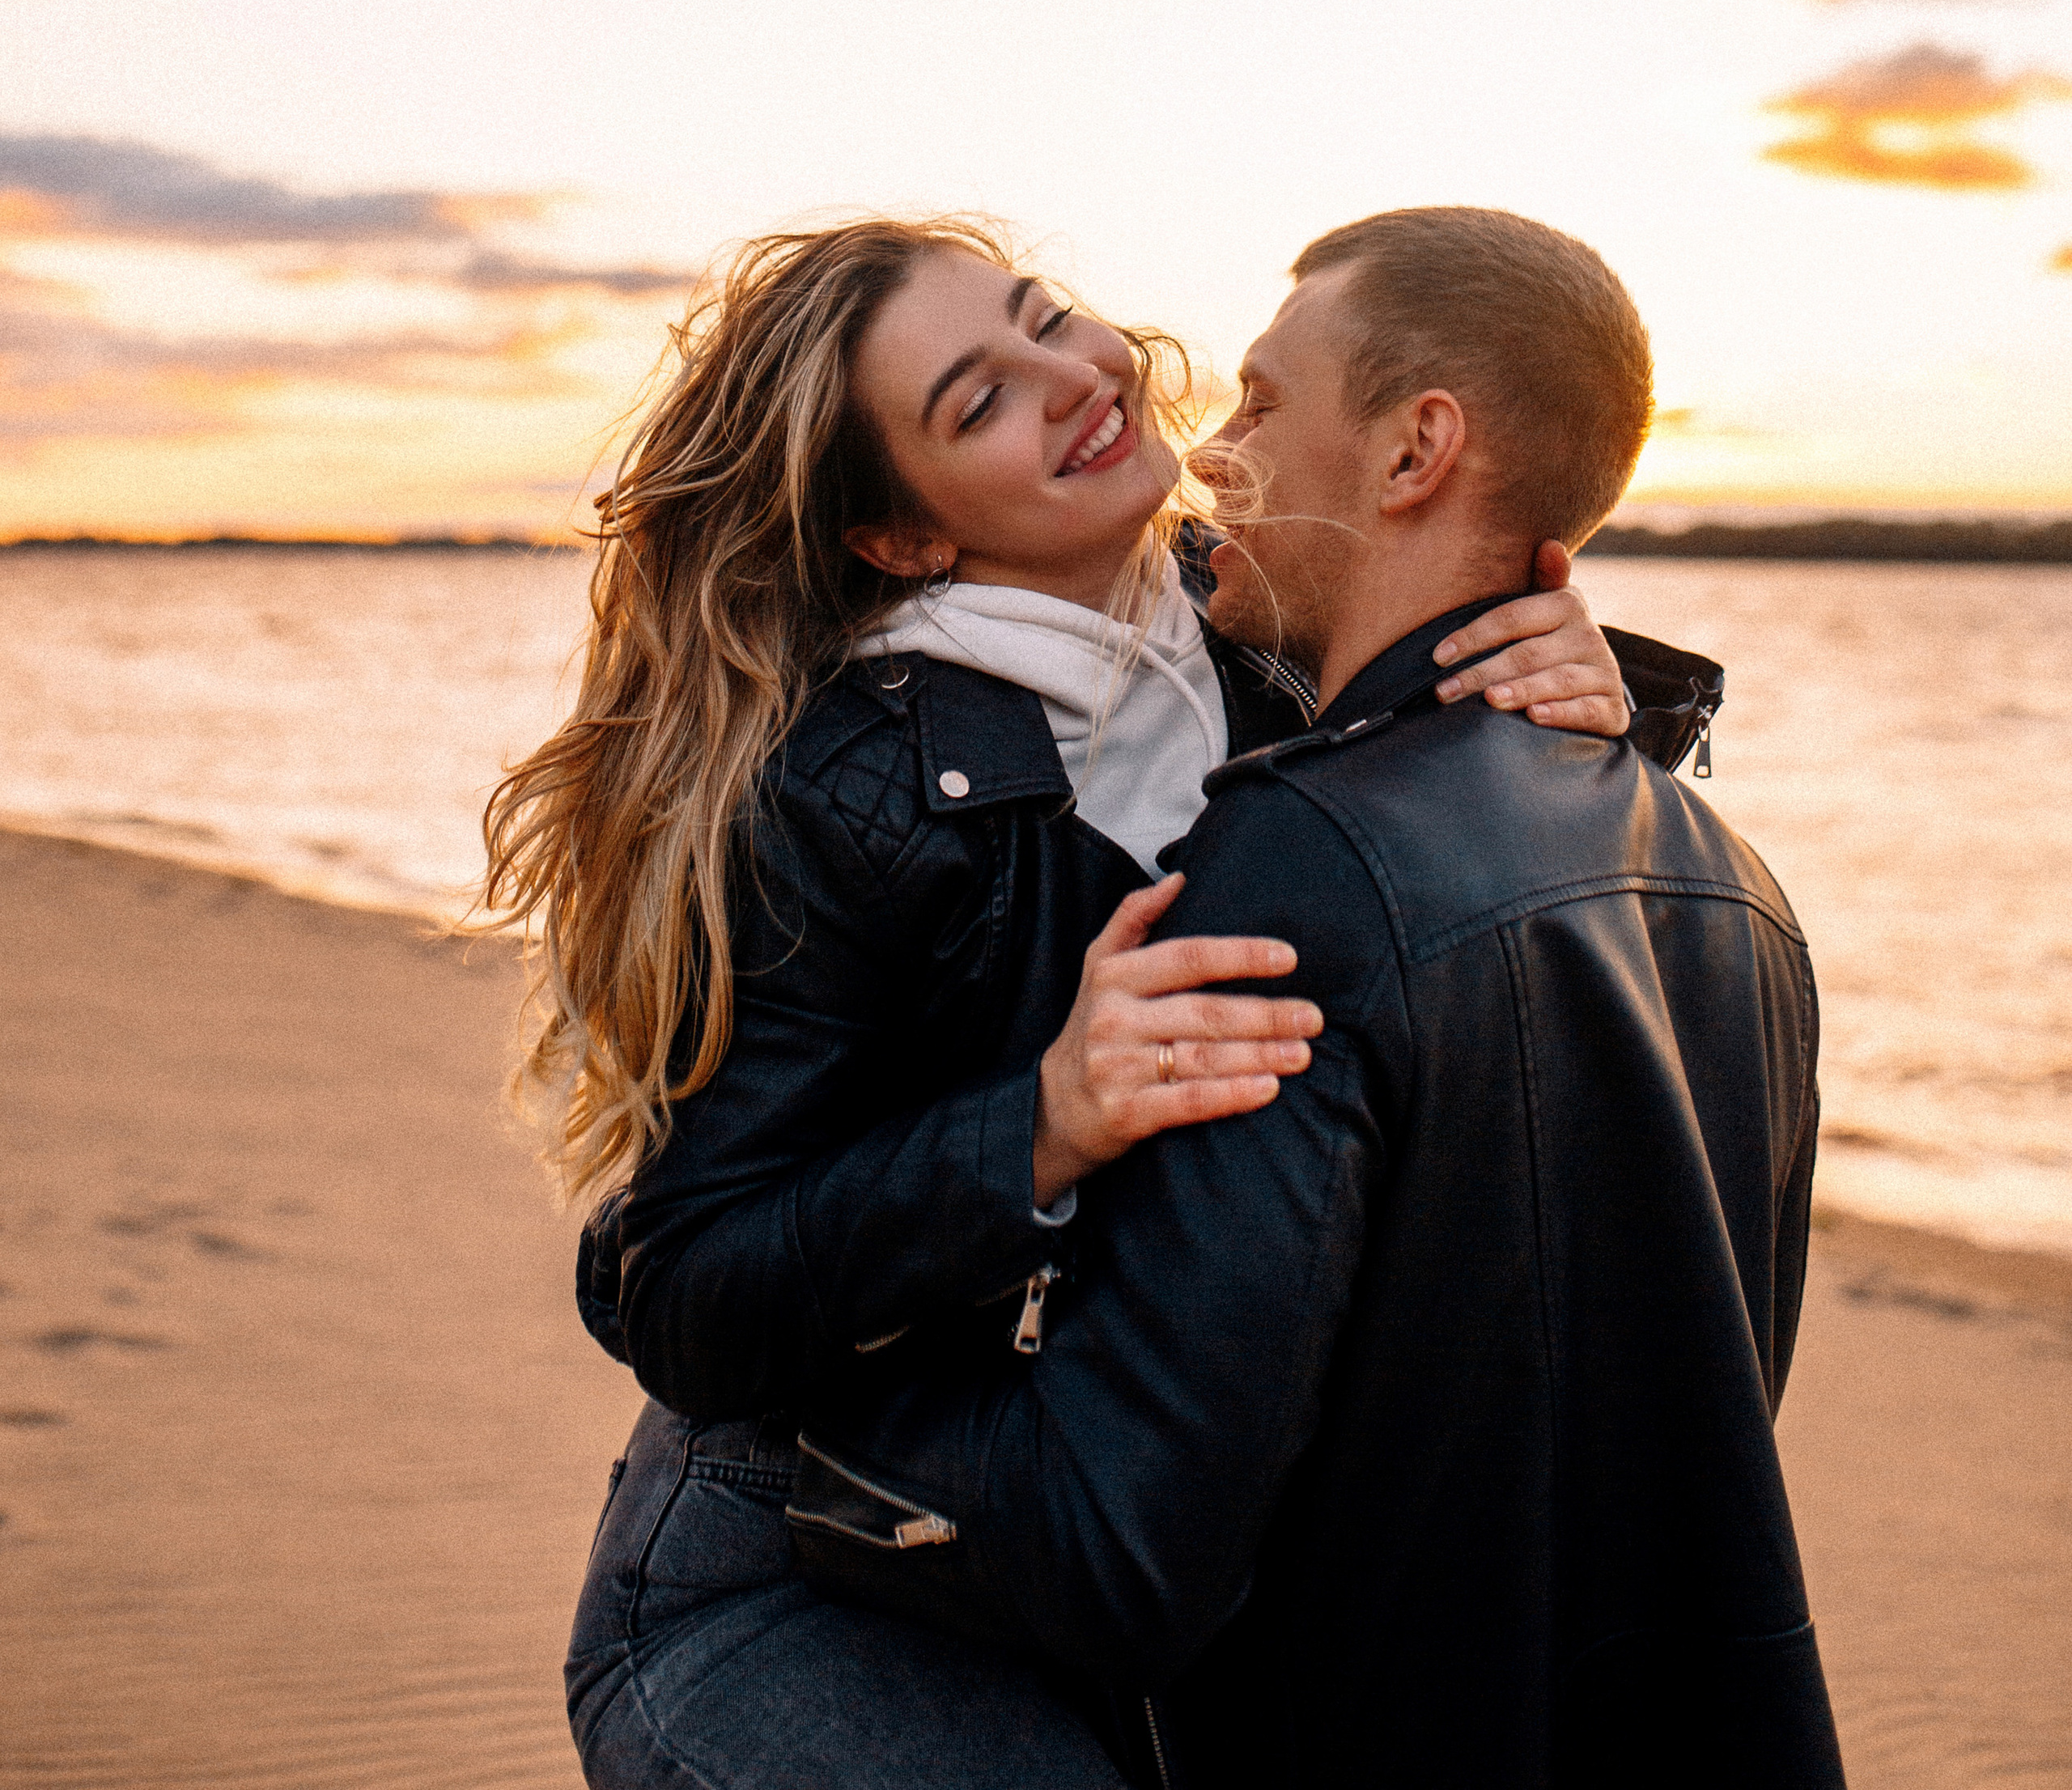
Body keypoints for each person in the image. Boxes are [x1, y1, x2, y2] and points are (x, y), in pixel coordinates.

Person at [482, 215, 1722, 1790]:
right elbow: (671, 1293)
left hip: (1111, 1537)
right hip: (808, 1555)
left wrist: (1576, 713)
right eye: (975, 401)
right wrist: (1040, 1127)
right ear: (902, 539)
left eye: (1043, 316)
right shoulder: (840, 792)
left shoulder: (1252, 641)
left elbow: (1458, 924)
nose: (1073, 375)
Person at [785, 208, 1845, 1790]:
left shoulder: (1297, 862)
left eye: (1264, 405)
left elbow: (1119, 1551)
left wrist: (806, 1445)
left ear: (1416, 451)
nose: (1210, 454)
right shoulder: (1732, 884)